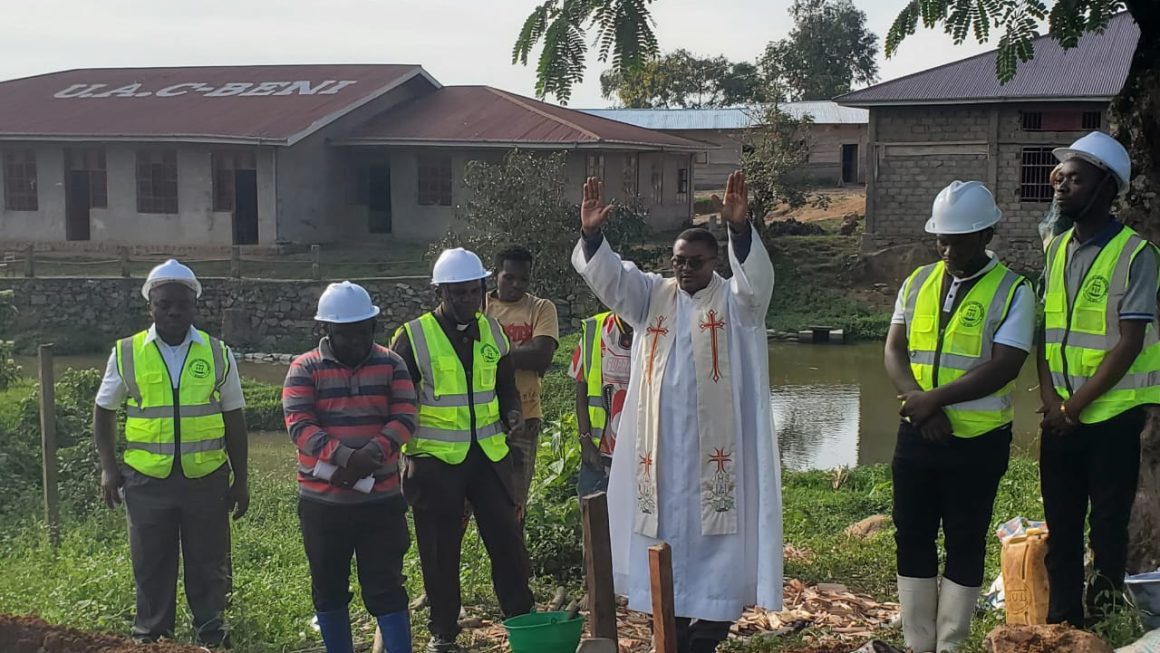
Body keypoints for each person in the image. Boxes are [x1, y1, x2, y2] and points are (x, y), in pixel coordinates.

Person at [572, 171, 780, 653]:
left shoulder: (736, 303)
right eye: (678, 261)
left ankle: (706, 632)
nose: (684, 269)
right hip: (662, 456)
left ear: (714, 262)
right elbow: (612, 279)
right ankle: (669, 624)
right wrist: (592, 235)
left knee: (716, 546)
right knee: (662, 537)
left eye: (695, 262)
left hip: (718, 458)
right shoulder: (652, 296)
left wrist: (740, 229)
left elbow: (757, 282)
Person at [884, 181, 1034, 652]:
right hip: (917, 433)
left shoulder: (1014, 291)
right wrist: (917, 401)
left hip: (978, 442)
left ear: (987, 235)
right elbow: (894, 350)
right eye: (941, 240)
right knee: (912, 533)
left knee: (965, 539)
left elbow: (1006, 364)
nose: (947, 251)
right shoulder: (917, 281)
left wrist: (933, 400)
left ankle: (949, 644)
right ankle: (918, 642)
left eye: (959, 241)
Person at [1037, 131, 1160, 628]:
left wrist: (1074, 407)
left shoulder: (1136, 254)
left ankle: (1105, 620)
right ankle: (1063, 624)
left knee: (1107, 527)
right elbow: (1046, 330)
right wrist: (1052, 401)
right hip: (1060, 416)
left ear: (1107, 188)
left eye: (1075, 179)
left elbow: (1128, 343)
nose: (1061, 187)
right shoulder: (1056, 248)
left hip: (1111, 417)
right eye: (1059, 178)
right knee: (1061, 528)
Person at [92, 259, 248, 647]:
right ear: (151, 306)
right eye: (164, 304)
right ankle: (152, 638)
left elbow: (235, 418)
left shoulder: (217, 352)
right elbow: (104, 409)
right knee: (151, 564)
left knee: (209, 563)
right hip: (147, 481)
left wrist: (241, 479)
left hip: (205, 480)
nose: (174, 311)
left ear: (195, 305)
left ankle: (212, 635)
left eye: (182, 304)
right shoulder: (127, 352)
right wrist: (108, 468)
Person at [391, 248, 534, 653]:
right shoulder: (413, 337)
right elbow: (397, 400)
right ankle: (443, 633)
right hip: (435, 462)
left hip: (488, 458)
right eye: (458, 293)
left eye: (474, 291)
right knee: (440, 551)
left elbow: (505, 385)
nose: (468, 300)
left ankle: (523, 620)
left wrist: (512, 412)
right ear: (440, 292)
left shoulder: (493, 332)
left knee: (507, 540)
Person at [283, 281, 417, 653]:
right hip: (324, 504)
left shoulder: (392, 364)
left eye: (362, 332)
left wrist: (370, 454)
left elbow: (405, 416)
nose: (355, 341)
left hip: (381, 500)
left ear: (372, 327)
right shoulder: (304, 368)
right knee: (328, 588)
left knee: (386, 587)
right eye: (345, 333)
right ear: (327, 329)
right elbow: (300, 425)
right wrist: (345, 457)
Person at [483, 245, 559, 522]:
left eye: (523, 279)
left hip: (525, 418)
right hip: (482, 418)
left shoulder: (541, 308)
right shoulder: (479, 305)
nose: (516, 285)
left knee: (514, 506)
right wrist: (519, 353)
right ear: (496, 274)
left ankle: (512, 551)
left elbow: (541, 356)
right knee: (467, 503)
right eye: (509, 277)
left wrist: (489, 355)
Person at [570, 310, 633, 497]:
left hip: (640, 452)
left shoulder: (655, 330)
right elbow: (581, 390)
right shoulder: (594, 328)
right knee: (594, 508)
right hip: (600, 451)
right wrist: (585, 440)